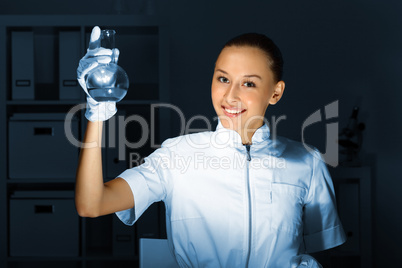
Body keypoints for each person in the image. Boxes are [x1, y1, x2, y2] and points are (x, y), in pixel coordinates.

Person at [75, 26, 346, 268]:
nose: (230, 96)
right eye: (223, 79)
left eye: (248, 83)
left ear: (276, 92)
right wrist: (97, 114)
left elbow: (323, 251)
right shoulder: (177, 155)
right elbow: (92, 204)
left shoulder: (308, 162)